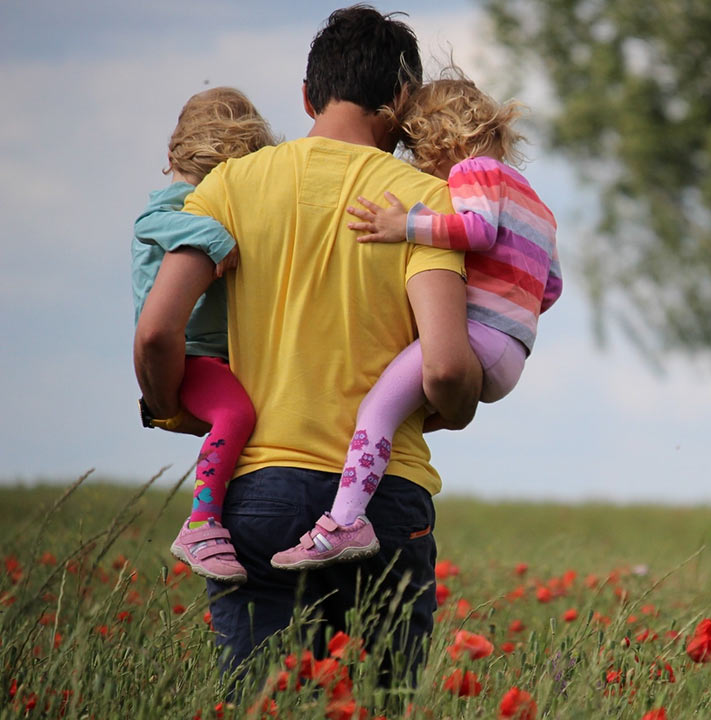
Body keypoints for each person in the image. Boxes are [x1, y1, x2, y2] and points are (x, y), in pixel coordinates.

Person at [133, 5, 481, 673]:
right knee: (381, 704)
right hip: (384, 499)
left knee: (264, 699)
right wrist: (456, 408)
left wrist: (173, 406)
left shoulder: (228, 186)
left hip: (257, 491)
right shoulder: (423, 202)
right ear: (402, 100)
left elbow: (155, 332)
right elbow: (444, 367)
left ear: (306, 95)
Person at [271, 72, 562, 570]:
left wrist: (403, 225)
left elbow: (476, 230)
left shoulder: (474, 173)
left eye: (417, 149)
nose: (419, 164)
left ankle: (345, 522)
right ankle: (360, 499)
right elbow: (550, 287)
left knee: (376, 410)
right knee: (403, 411)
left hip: (476, 337)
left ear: (442, 138)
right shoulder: (537, 203)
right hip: (513, 351)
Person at [132, 87, 275, 583]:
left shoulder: (202, 199)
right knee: (236, 413)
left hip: (216, 355)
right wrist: (215, 237)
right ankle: (202, 522)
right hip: (191, 355)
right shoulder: (178, 205)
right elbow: (151, 222)